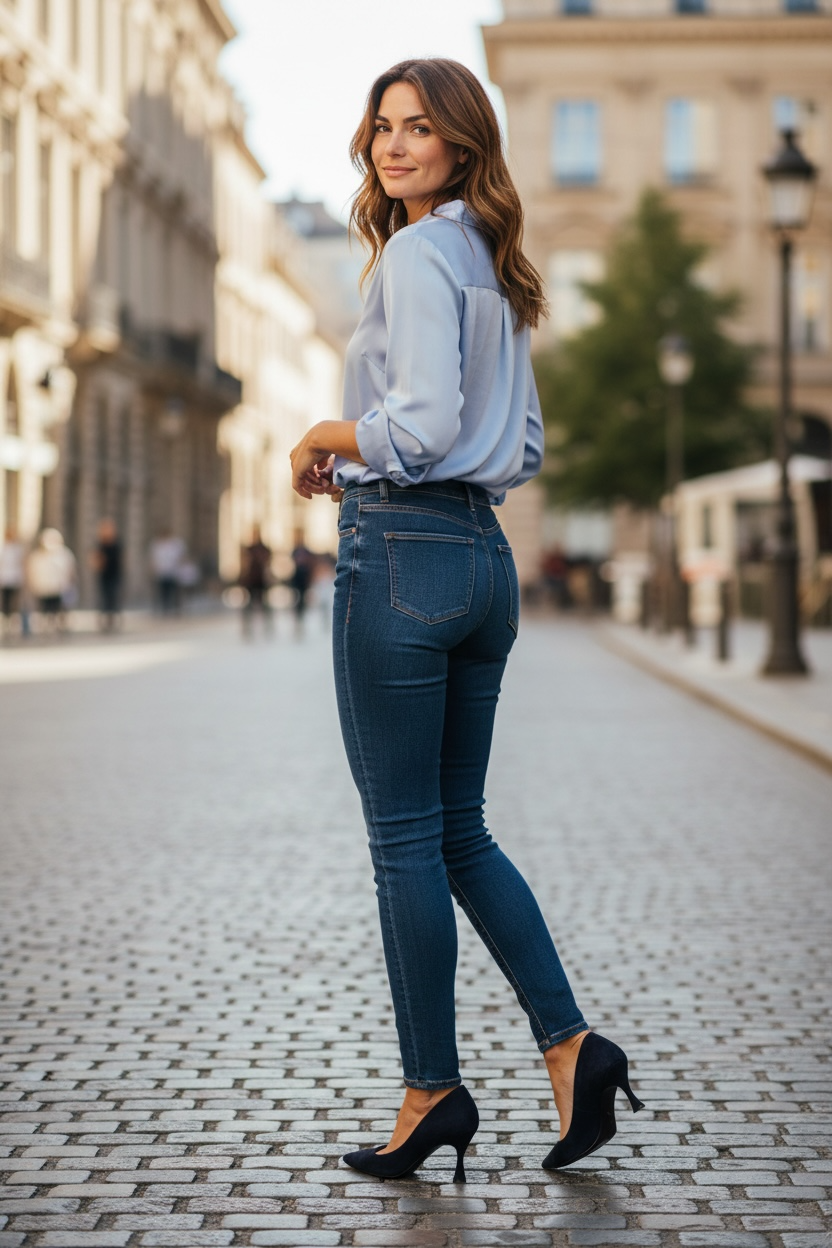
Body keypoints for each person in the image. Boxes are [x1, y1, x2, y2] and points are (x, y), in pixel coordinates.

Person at [289, 58, 643, 1185]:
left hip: (403, 555)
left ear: (461, 144)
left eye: (420, 128)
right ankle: (572, 1047)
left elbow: (422, 426)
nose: (394, 146)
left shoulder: (414, 256)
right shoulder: (496, 262)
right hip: (485, 560)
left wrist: (327, 436)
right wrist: (379, 453)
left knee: (405, 839)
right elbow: (519, 445)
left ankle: (431, 1091)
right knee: (459, 832)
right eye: (382, 127)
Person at [27, 528, 76, 633]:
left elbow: (70, 569)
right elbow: (33, 571)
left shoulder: (64, 554)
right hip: (43, 588)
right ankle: (46, 625)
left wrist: (69, 583)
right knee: (45, 608)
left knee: (57, 608)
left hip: (58, 587)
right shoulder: (37, 556)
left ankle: (57, 625)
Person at [238, 524, 273, 638]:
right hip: (251, 580)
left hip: (261, 580)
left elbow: (268, 564)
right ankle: (247, 628)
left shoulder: (264, 549)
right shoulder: (249, 549)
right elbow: (244, 565)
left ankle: (268, 627)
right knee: (248, 605)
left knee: (264, 604)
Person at [91, 518, 122, 631]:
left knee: (113, 598)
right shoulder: (100, 544)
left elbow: (121, 559)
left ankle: (113, 620)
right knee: (103, 599)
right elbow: (95, 559)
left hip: (115, 575)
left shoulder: (117, 543)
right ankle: (103, 622)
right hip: (103, 575)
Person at [149, 530, 185, 614]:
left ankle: (175, 608)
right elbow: (153, 558)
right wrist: (153, 569)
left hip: (174, 572)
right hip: (162, 572)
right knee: (163, 591)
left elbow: (181, 556)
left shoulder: (176, 544)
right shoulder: (157, 544)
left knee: (174, 591)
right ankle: (165, 608)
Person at [0, 525, 25, 639]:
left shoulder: (17, 549)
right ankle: (7, 623)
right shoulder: (3, 549)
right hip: (5, 579)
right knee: (6, 602)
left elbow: (21, 563)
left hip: (15, 579)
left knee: (14, 603)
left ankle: (13, 623)